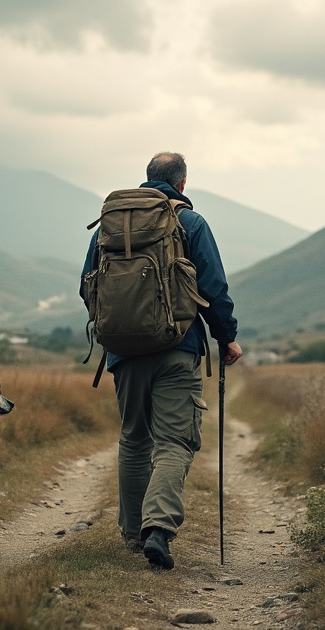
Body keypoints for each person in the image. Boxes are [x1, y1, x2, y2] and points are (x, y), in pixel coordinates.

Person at [80, 152, 242, 570]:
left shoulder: (112, 224)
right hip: (177, 347)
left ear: (148, 178)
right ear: (182, 183)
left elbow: (88, 286)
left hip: (123, 352)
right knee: (175, 442)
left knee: (134, 439)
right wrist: (227, 338)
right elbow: (213, 287)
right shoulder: (190, 222)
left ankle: (135, 537)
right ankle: (158, 529)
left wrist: (120, 328)